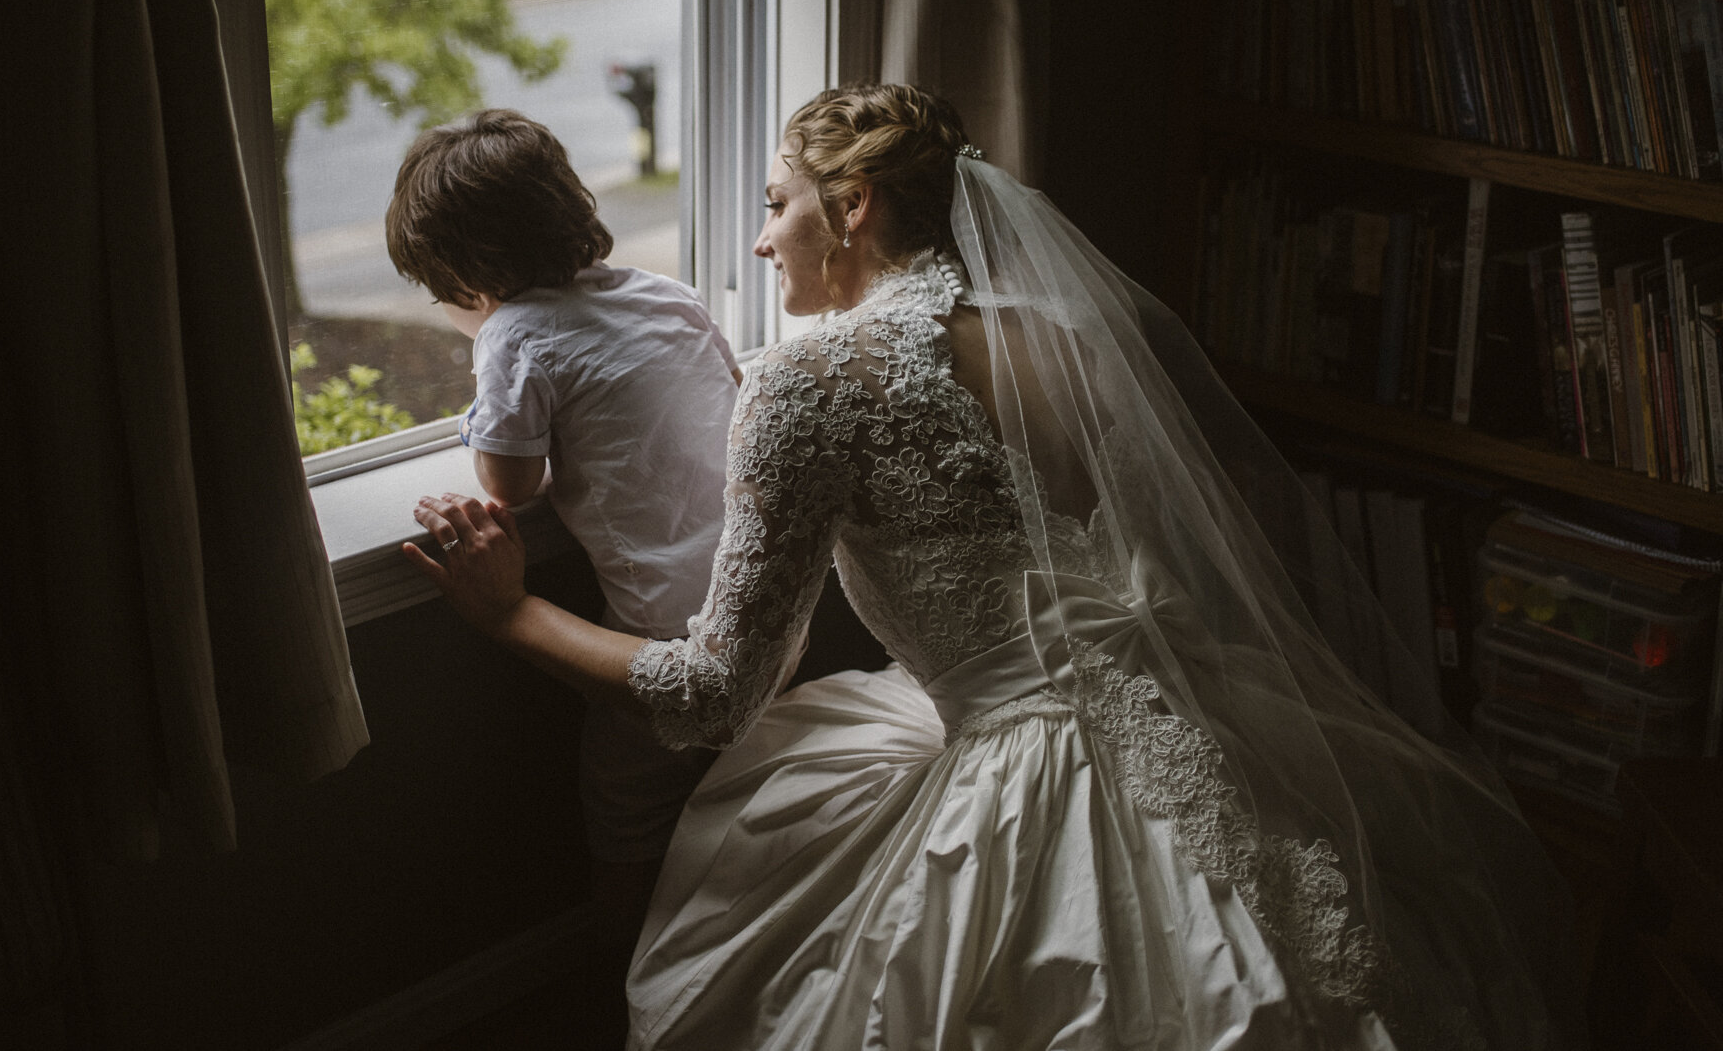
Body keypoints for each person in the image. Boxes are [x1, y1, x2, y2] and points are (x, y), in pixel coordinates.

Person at [406, 85, 1580, 1049]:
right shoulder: (1054, 337)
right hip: (1170, 695)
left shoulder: (804, 386)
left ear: (852, 206)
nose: (761, 238)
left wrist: (506, 615)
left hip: (1021, 756)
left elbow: (717, 692)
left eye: (776, 207)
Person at [384, 108, 740, 953]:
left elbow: (512, 479)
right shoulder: (662, 291)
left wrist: (482, 414)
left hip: (661, 632)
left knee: (626, 812)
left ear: (466, 278)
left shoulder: (513, 331)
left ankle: (626, 967)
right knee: (737, 797)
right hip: (753, 592)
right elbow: (729, 388)